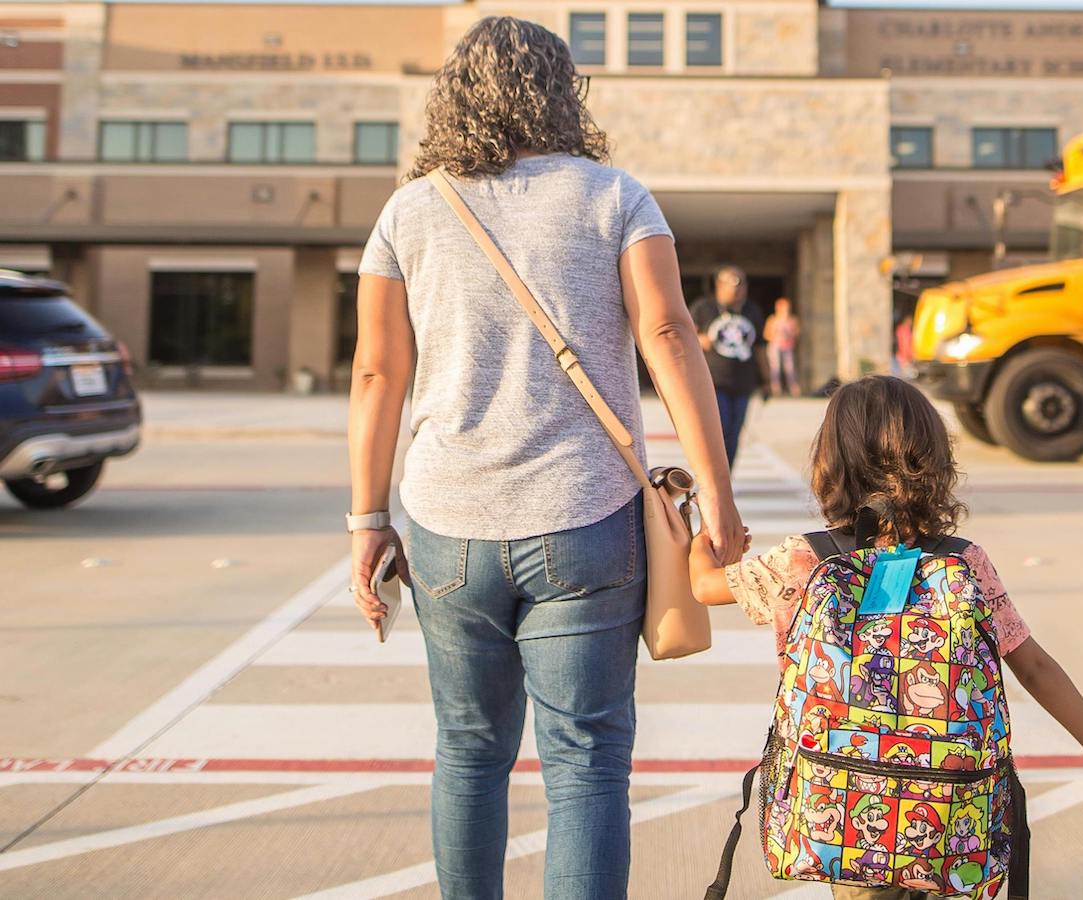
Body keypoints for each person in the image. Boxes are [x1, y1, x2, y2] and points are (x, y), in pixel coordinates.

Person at [346, 17, 745, 900]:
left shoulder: (409, 210)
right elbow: (671, 336)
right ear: (564, 93)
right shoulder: (615, 197)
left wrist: (366, 523)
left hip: (447, 525)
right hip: (588, 521)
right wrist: (716, 495)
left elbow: (377, 370)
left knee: (469, 752)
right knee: (589, 763)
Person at [688, 375, 1083, 900]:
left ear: (829, 463)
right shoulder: (963, 562)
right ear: (935, 460)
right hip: (952, 807)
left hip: (846, 811)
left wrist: (704, 541)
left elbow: (703, 587)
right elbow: (1033, 665)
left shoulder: (803, 560)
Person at [690, 266, 765, 466]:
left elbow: (760, 348)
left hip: (743, 383)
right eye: (733, 284)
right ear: (719, 286)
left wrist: (767, 380)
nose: (739, 289)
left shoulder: (752, 310)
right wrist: (700, 340)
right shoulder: (703, 308)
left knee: (734, 433)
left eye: (742, 284)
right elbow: (683, 337)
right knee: (718, 431)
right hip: (713, 382)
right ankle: (712, 476)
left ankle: (726, 477)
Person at [764, 296, 802, 397]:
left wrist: (789, 334)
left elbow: (797, 333)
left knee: (790, 368)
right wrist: (777, 336)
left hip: (787, 347)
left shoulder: (792, 320)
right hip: (775, 346)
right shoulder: (773, 320)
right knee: (775, 368)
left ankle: (794, 388)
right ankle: (776, 389)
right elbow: (766, 334)